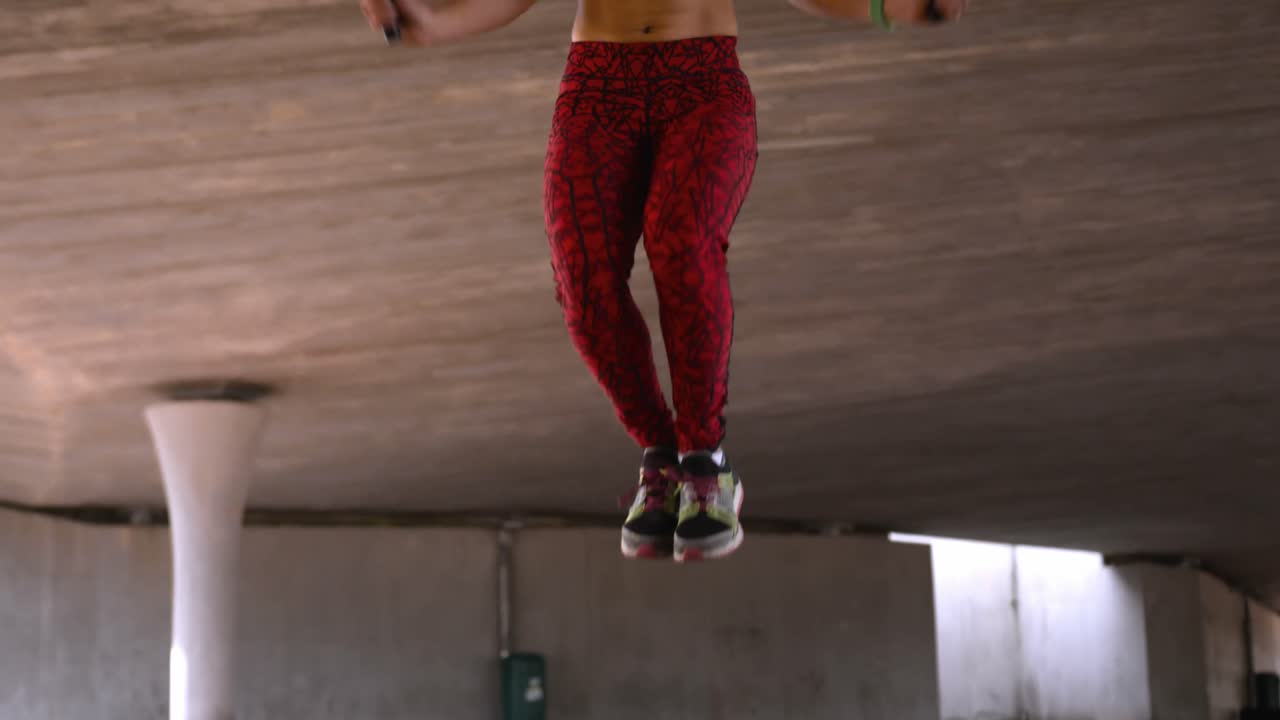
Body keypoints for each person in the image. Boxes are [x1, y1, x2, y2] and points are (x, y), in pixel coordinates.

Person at [359, 0, 967, 562]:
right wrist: (433, 25)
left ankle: (706, 461)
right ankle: (661, 458)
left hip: (702, 82)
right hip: (596, 86)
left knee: (681, 241)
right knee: (582, 279)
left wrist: (888, 7)